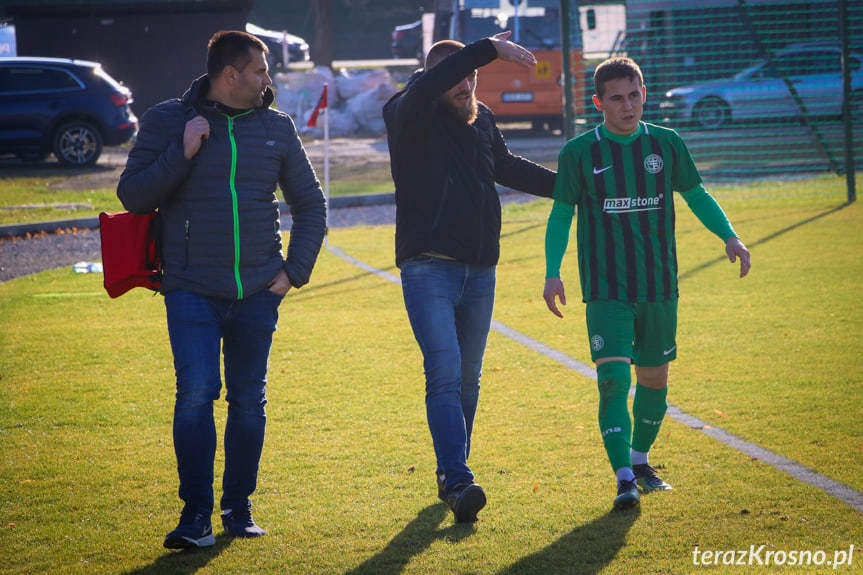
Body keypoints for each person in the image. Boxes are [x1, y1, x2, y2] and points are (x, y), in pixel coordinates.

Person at [117, 30, 327, 548]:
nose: (267, 80)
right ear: (229, 75)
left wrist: (292, 272)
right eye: (260, 71)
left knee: (248, 401)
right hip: (190, 288)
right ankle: (195, 518)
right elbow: (133, 197)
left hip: (259, 291)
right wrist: (182, 152)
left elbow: (312, 205)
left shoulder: (277, 127)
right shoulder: (168, 120)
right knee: (195, 395)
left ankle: (238, 508)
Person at [542, 57, 750, 510]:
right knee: (614, 380)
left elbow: (696, 193)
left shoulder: (667, 144)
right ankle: (623, 480)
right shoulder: (579, 152)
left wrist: (730, 236)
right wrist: (552, 270)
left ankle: (640, 462)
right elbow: (561, 213)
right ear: (598, 103)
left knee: (654, 379)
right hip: (605, 289)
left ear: (643, 93)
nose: (627, 105)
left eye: (634, 95)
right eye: (616, 98)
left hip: (658, 285)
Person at [382, 32, 556, 523]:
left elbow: (507, 167)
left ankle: (450, 474)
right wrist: (485, 48)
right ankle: (458, 479)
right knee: (444, 371)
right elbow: (425, 87)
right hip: (428, 266)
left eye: (474, 76)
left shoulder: (483, 120)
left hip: (481, 270)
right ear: (433, 79)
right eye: (457, 76)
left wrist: (573, 189)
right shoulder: (407, 111)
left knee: (468, 380)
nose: (467, 85)